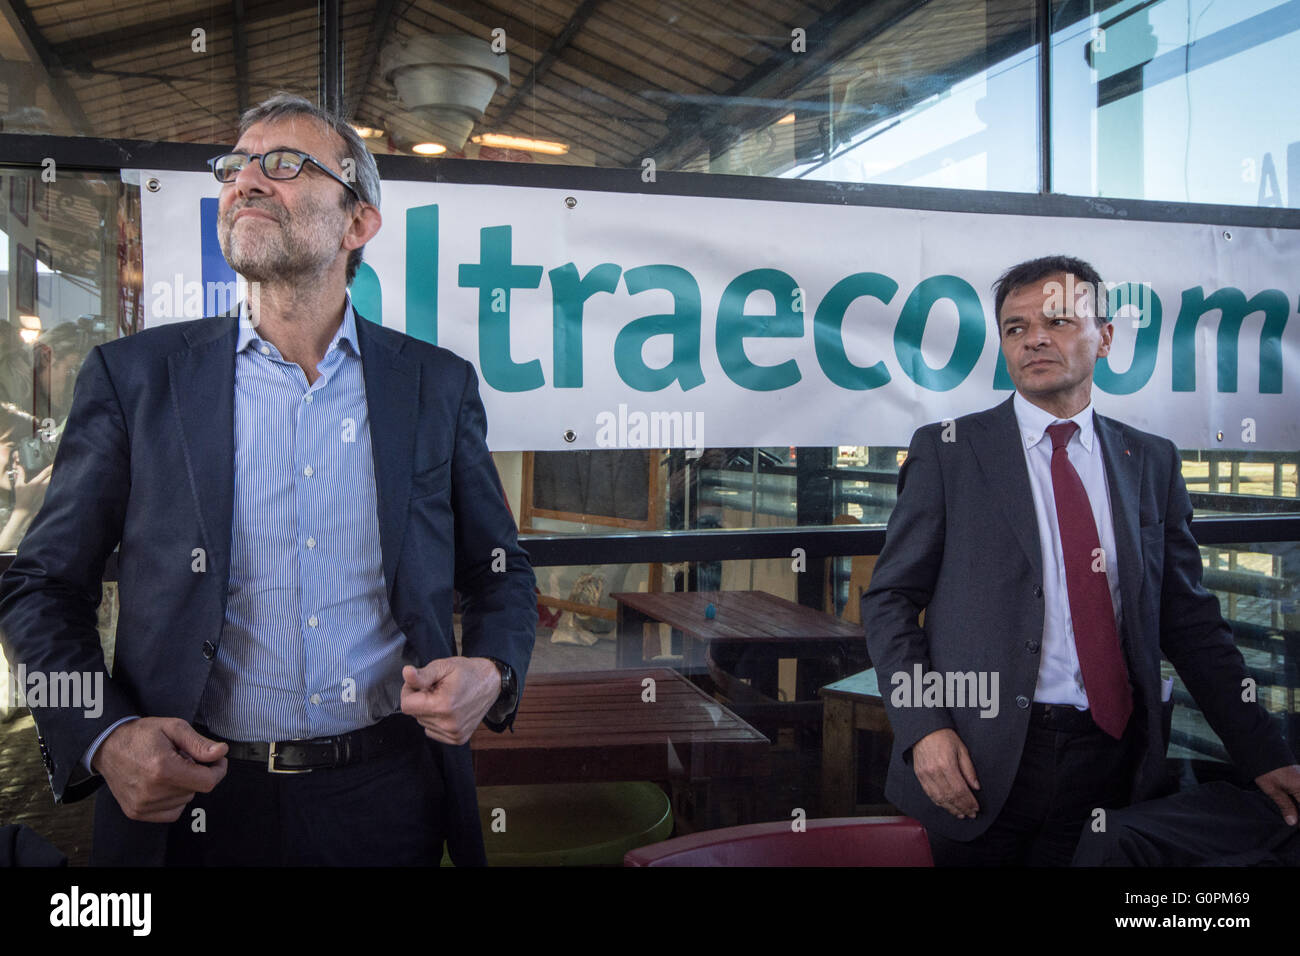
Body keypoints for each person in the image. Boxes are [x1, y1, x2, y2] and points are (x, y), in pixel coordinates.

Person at [0, 92, 537, 866]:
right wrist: (105, 735)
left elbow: (500, 571)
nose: (246, 180)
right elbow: (42, 588)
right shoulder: (137, 378)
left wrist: (494, 668)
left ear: (357, 223)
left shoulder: (434, 386)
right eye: (235, 165)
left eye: (284, 163)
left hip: (385, 800)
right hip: (190, 802)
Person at [860, 254, 1300, 866]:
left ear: (1106, 337)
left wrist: (1264, 752)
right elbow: (890, 601)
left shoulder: (1150, 462)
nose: (1034, 338)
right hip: (974, 764)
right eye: (1015, 328)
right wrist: (923, 729)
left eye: (1059, 320)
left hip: (1112, 765)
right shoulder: (949, 453)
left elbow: (1189, 622)